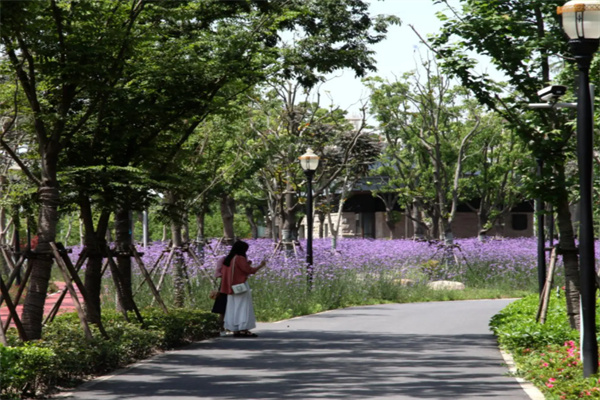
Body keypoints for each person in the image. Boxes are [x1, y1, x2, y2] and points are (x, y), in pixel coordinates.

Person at [220, 240, 266, 338]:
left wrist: (247, 264)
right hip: (240, 286)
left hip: (230, 288)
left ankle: (234, 329)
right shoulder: (240, 258)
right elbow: (249, 271)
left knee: (232, 307)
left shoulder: (228, 259)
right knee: (243, 307)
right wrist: (261, 266)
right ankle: (243, 329)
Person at [211, 255, 228, 336]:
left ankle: (231, 327)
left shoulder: (240, 259)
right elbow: (217, 273)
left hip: (235, 286)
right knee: (222, 309)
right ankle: (221, 328)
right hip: (224, 287)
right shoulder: (223, 259)